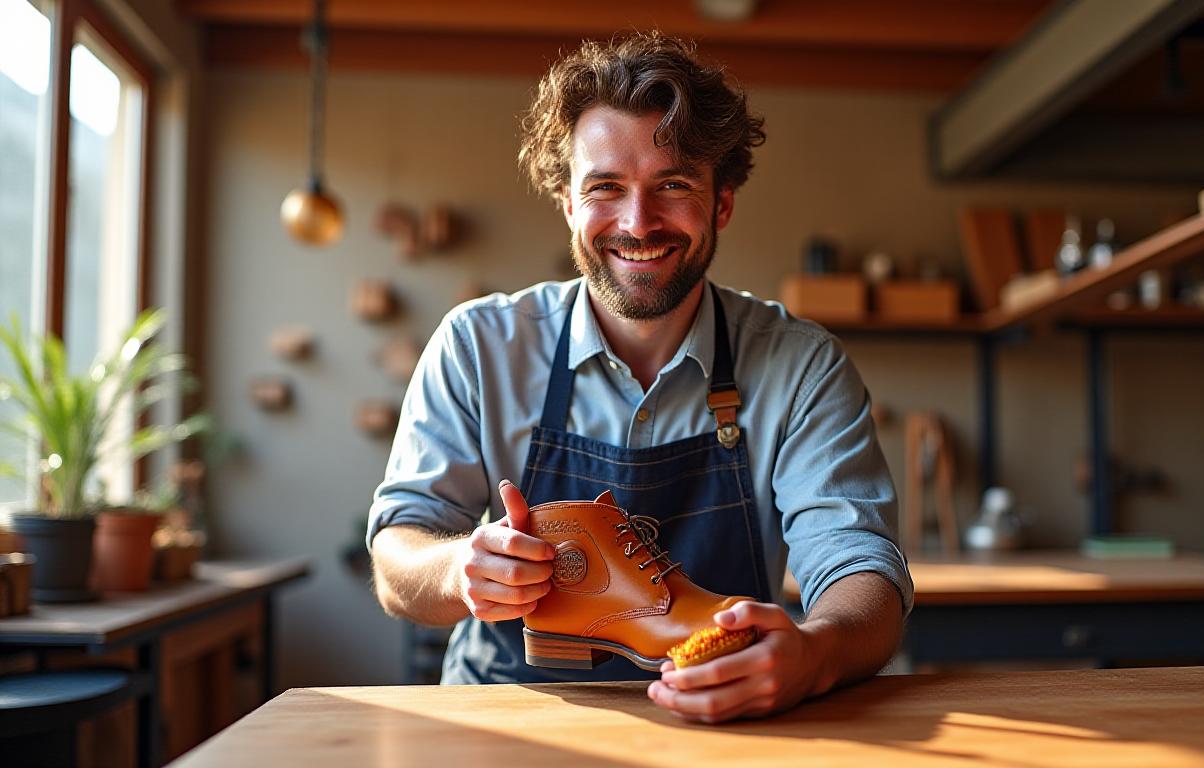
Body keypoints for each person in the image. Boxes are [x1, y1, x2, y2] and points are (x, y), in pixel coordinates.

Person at [367, 32, 913, 724]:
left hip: (733, 722)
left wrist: (816, 653)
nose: (638, 222)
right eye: (605, 188)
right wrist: (458, 571)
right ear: (568, 202)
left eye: (674, 185)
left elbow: (861, 568)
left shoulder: (802, 365)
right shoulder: (478, 347)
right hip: (502, 716)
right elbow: (397, 554)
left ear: (721, 204)